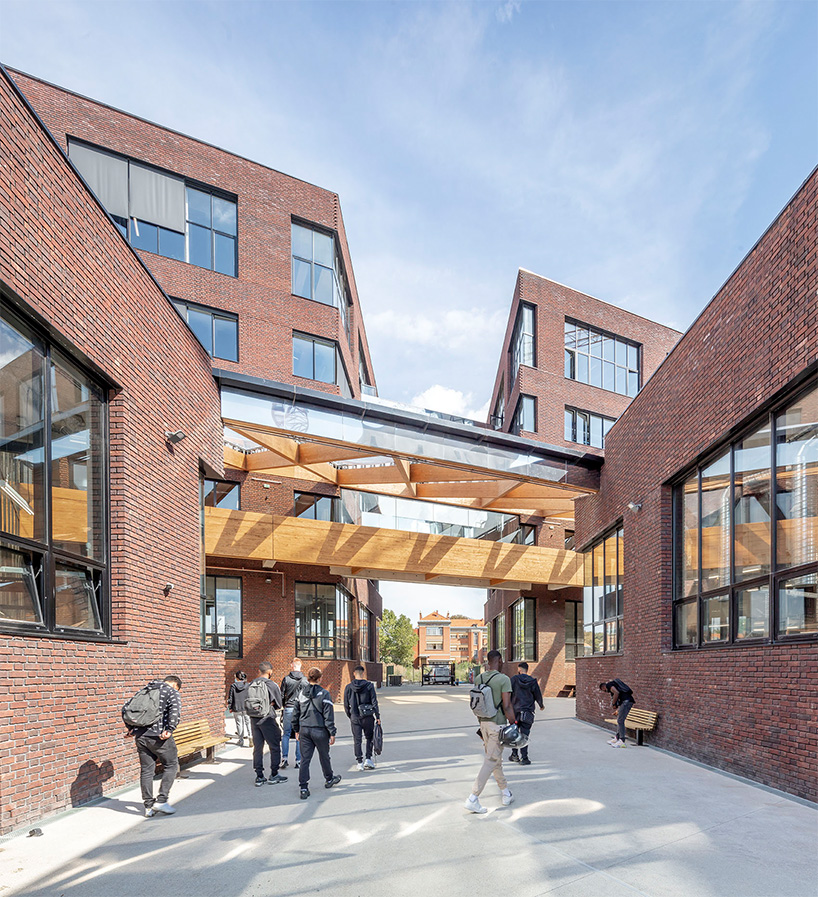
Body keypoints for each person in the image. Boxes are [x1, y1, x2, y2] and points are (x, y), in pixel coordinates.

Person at [122, 675, 182, 818]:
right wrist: (170, 729)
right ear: (175, 684)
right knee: (172, 765)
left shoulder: (145, 689)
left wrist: (130, 728)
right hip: (159, 736)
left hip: (141, 736)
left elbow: (126, 708)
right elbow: (175, 712)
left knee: (147, 771)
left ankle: (148, 806)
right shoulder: (171, 691)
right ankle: (161, 800)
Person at [465, 650, 516, 814]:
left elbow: (477, 703)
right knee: (491, 760)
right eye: (502, 661)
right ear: (499, 660)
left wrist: (481, 725)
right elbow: (507, 706)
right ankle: (473, 797)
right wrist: (514, 723)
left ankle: (506, 793)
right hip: (497, 725)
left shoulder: (479, 678)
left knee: (495, 761)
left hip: (483, 724)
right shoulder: (504, 679)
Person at [291, 667, 341, 800]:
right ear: (320, 678)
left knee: (305, 759)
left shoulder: (301, 693)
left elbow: (295, 713)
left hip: (305, 730)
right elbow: (328, 715)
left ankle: (303, 787)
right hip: (320, 730)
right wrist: (332, 732)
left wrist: (296, 729)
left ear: (308, 678)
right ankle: (329, 778)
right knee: (324, 756)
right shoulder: (324, 694)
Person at [249, 661, 287, 785]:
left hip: (254, 718)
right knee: (274, 746)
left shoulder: (252, 683)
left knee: (258, 747)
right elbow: (279, 704)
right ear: (270, 672)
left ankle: (259, 776)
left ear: (259, 671)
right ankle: (274, 774)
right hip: (267, 718)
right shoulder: (272, 684)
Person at [343, 664, 381, 770]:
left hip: (355, 716)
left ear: (354, 674)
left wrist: (350, 715)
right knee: (369, 738)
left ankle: (359, 762)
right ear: (363, 673)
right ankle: (368, 759)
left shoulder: (348, 687)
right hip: (368, 716)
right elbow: (374, 702)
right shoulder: (369, 686)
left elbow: (346, 704)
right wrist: (377, 716)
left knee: (357, 739)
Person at [508, 662, 544, 765]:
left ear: (519, 669)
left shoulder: (514, 680)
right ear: (527, 670)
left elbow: (508, 693)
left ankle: (514, 755)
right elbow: (538, 694)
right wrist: (541, 705)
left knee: (514, 734)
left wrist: (506, 708)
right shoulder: (532, 681)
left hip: (515, 712)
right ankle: (524, 758)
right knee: (524, 735)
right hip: (527, 712)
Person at [279, 658, 305, 769]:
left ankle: (284, 758)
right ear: (300, 666)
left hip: (288, 708)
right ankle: (298, 760)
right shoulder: (305, 680)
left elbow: (281, 695)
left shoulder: (286, 679)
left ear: (292, 666)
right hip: (300, 709)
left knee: (286, 734)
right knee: (299, 734)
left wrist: (282, 706)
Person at [600, 678, 635, 747]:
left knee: (620, 720)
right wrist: (617, 709)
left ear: (603, 687)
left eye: (603, 690)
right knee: (619, 719)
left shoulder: (609, 685)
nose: (605, 691)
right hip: (625, 702)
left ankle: (622, 741)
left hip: (626, 702)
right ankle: (617, 738)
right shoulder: (613, 685)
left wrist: (613, 703)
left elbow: (616, 692)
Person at [227, 671, 251, 747]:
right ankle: (251, 736)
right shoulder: (247, 685)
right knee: (248, 722)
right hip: (246, 707)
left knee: (239, 724)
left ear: (237, 678)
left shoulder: (233, 686)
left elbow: (230, 698)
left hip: (236, 707)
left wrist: (230, 707)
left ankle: (241, 740)